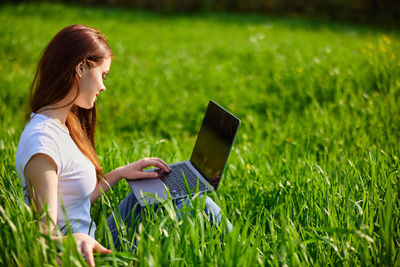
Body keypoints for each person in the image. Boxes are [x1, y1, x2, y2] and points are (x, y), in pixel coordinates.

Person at [15, 24, 231, 266]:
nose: (103, 87)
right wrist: (73, 239)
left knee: (174, 193)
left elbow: (73, 201)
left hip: (92, 242)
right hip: (84, 257)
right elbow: (42, 239)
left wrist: (120, 174)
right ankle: (243, 255)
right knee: (198, 205)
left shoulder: (62, 125)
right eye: (103, 75)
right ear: (81, 67)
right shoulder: (42, 143)